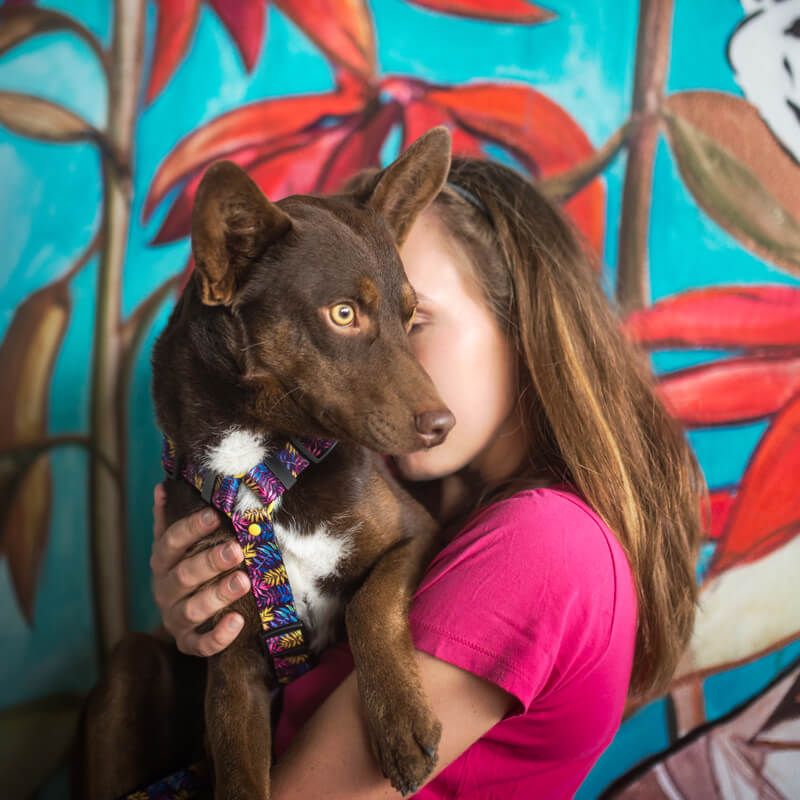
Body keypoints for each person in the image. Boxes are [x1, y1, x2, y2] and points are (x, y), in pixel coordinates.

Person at [149, 155, 706, 799]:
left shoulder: (544, 544)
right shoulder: (400, 494)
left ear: (523, 328)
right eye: (352, 318)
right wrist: (207, 626)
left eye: (413, 322)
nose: (398, 366)